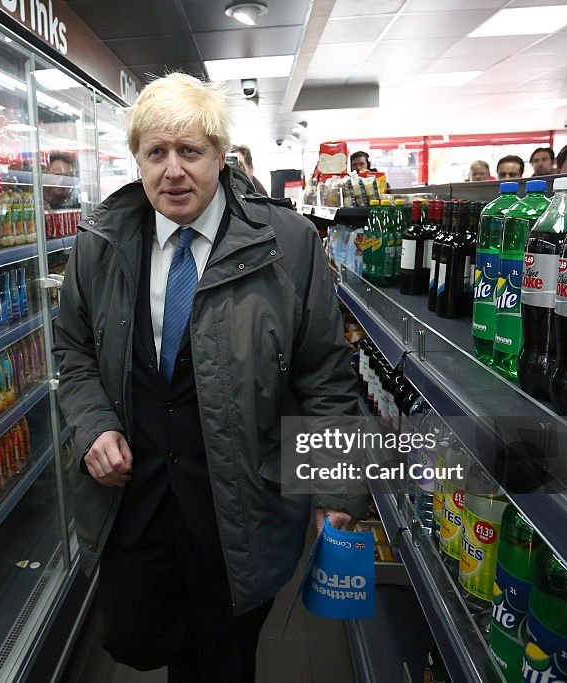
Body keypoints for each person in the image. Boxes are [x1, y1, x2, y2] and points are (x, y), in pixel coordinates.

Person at [53, 73, 367, 683]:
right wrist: (92, 425)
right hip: (136, 500)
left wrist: (337, 489)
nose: (173, 171)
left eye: (190, 152)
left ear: (220, 158)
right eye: (156, 153)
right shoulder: (100, 243)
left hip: (239, 504)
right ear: (137, 159)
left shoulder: (288, 245)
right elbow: (73, 351)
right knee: (139, 636)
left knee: (222, 659)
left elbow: (325, 375)